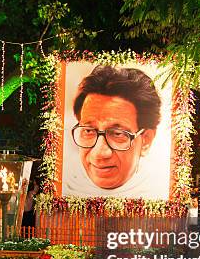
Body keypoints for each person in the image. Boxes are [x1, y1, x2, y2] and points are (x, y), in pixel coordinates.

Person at [65, 65, 162, 197]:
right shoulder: (67, 188)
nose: (99, 153)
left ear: (146, 140)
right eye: (88, 131)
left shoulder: (155, 196)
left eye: (117, 134)